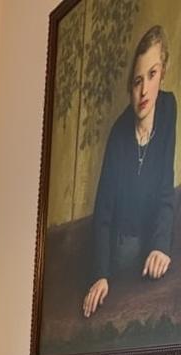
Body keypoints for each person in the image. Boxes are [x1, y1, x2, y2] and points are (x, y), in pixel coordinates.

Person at [83, 25, 177, 318]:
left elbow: (165, 185)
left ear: (163, 72)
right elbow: (103, 211)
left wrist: (161, 245)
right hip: (121, 249)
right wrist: (101, 274)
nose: (144, 90)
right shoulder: (118, 135)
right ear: (129, 87)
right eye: (137, 81)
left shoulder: (169, 108)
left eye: (152, 75)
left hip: (152, 241)